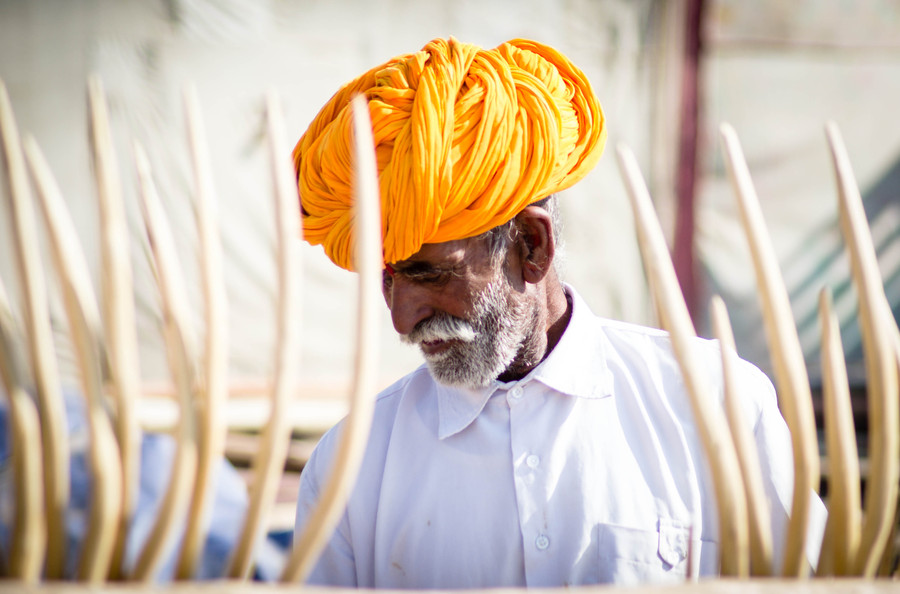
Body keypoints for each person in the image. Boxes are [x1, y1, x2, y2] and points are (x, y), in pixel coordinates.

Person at [291, 37, 826, 588]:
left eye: (431, 273)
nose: (403, 319)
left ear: (530, 244)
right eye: (388, 279)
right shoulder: (350, 474)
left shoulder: (718, 407)